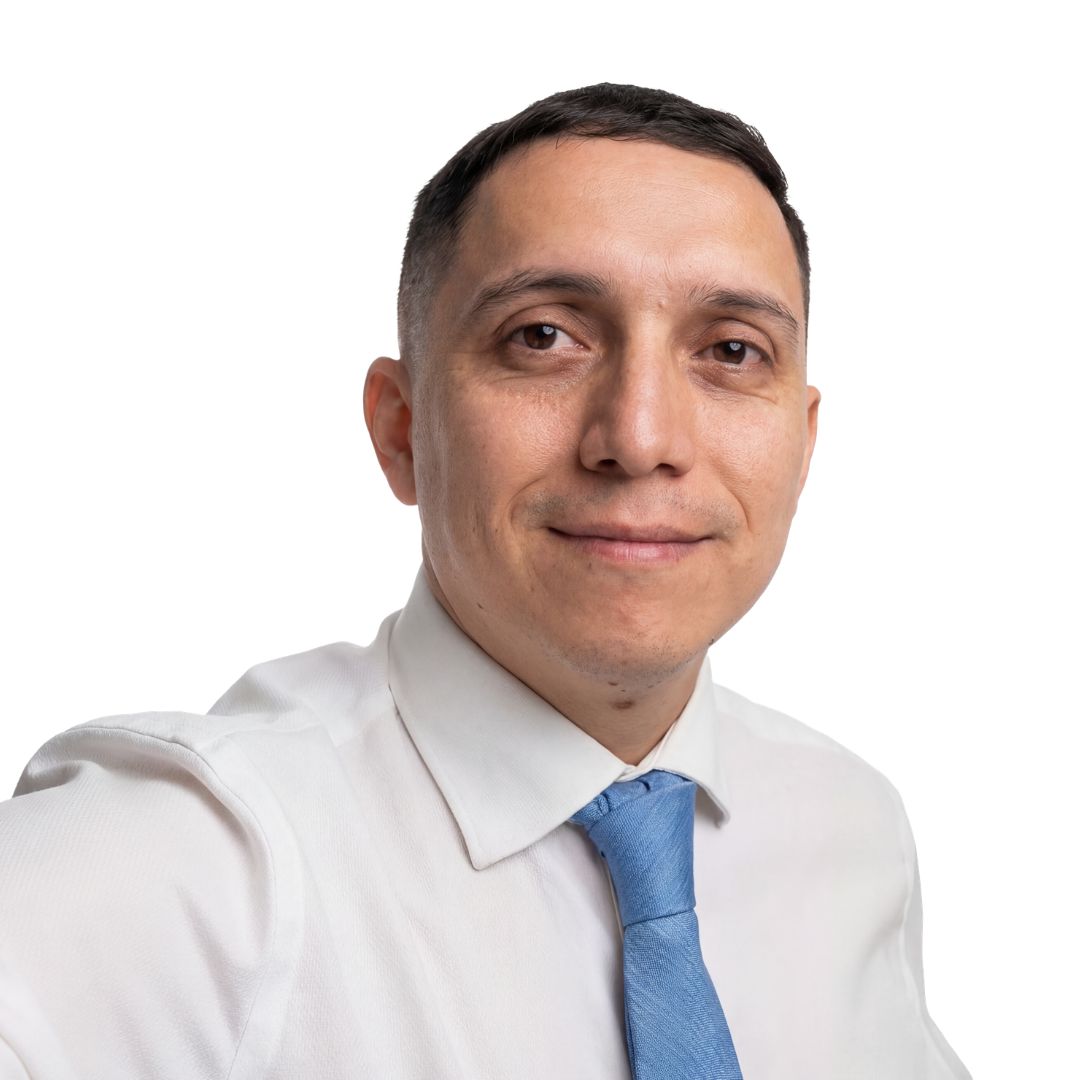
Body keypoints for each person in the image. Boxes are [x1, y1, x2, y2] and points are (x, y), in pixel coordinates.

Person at [0, 83, 970, 1079]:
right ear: (402, 429)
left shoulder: (852, 831)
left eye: (730, 351)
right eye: (543, 336)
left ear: (801, 449)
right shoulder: (205, 851)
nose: (640, 439)